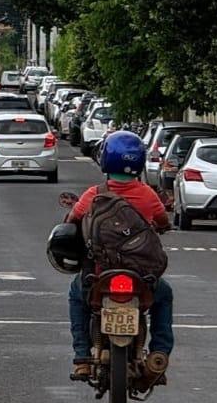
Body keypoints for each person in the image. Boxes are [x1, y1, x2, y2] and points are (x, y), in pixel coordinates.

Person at [63, 130, 174, 383]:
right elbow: (163, 221)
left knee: (76, 294)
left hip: (100, 275)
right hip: (141, 277)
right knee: (164, 296)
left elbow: (72, 221)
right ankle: (158, 353)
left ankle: (81, 357)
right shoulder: (148, 195)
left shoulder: (93, 194)